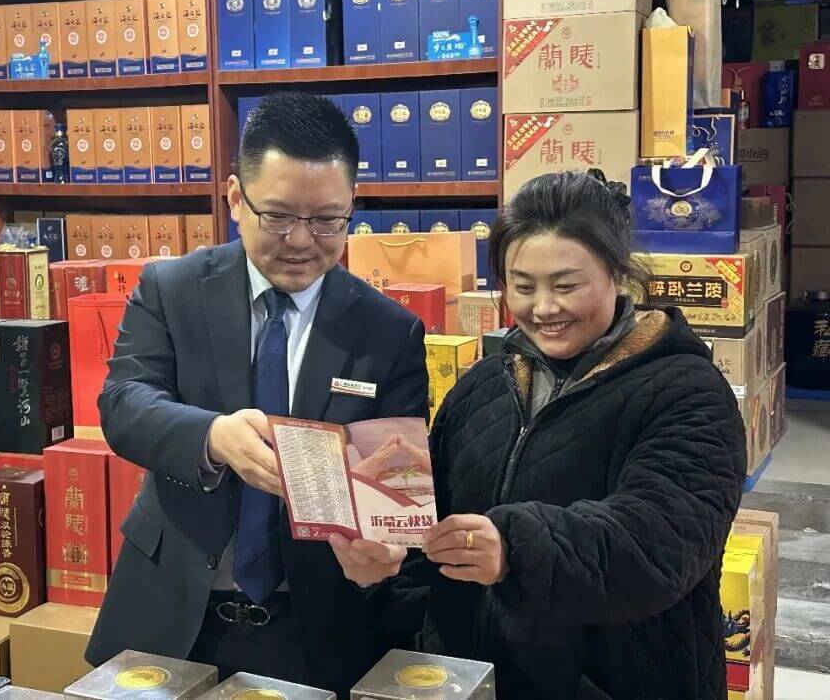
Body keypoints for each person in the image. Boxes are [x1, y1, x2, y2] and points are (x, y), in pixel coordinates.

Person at [331, 170, 747, 699]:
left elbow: (656, 544)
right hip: (474, 684)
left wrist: (514, 548)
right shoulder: (483, 384)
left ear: (617, 274)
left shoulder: (688, 393)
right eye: (523, 287)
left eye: (566, 286)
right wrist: (385, 561)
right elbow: (433, 525)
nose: (544, 308)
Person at [85, 92, 429, 694]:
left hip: (314, 626)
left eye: (328, 221)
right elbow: (124, 404)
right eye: (278, 216)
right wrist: (211, 436)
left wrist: (383, 553)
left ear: (352, 205)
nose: (301, 240)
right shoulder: (172, 289)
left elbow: (398, 484)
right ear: (235, 199)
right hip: (172, 612)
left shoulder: (389, 331)